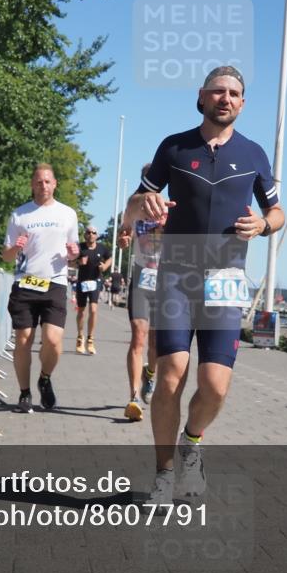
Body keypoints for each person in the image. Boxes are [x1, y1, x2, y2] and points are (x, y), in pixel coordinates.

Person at [124, 66, 284, 503]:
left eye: (234, 93)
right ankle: (163, 473)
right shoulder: (174, 147)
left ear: (242, 103)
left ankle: (191, 443)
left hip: (227, 280)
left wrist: (264, 225)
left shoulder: (253, 155)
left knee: (215, 386)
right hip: (176, 275)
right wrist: (144, 202)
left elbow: (278, 212)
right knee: (172, 373)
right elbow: (131, 210)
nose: (225, 98)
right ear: (202, 96)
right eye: (218, 91)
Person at [1, 164, 80, 413]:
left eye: (47, 181)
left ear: (55, 184)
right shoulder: (20, 215)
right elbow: (5, 255)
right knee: (23, 341)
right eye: (38, 182)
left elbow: (74, 254)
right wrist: (16, 248)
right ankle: (25, 394)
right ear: (32, 185)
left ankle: (44, 377)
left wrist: (74, 255)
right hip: (25, 282)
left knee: (53, 341)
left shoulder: (68, 214)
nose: (43, 185)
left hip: (55, 282)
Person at [117, 163, 165, 422]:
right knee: (138, 338)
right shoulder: (133, 207)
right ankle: (133, 398)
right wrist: (123, 240)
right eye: (147, 180)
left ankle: (150, 374)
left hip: (163, 282)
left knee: (156, 344)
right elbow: (123, 234)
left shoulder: (168, 208)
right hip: (140, 279)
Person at [74, 225, 111, 355]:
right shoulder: (80, 247)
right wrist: (79, 263)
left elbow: (110, 258)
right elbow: (69, 262)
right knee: (81, 311)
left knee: (94, 310)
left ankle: (90, 339)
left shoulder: (102, 248)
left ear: (96, 235)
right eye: (88, 232)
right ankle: (80, 337)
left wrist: (104, 266)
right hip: (82, 282)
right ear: (85, 235)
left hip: (96, 281)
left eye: (94, 232)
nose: (91, 234)